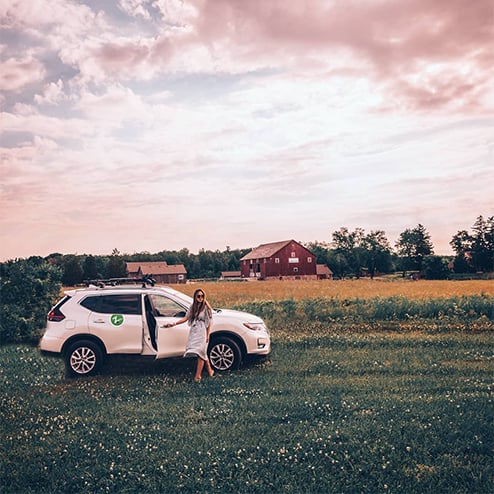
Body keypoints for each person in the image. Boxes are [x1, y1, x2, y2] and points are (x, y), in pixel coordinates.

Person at [166, 288, 215, 382]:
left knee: (200, 352)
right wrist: (174, 323)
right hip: (194, 331)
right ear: (195, 297)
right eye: (198, 296)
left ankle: (198, 376)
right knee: (202, 352)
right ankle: (210, 370)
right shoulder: (192, 307)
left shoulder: (206, 307)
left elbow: (209, 323)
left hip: (202, 331)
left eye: (202, 296)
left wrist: (208, 335)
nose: (200, 298)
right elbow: (186, 318)